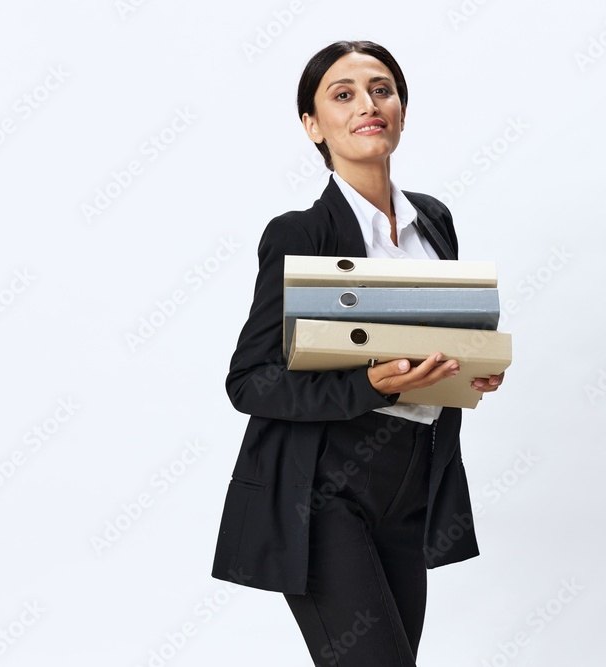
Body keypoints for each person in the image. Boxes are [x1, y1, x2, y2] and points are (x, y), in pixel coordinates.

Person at [211, 40, 505, 666]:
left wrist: (462, 373)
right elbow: (250, 382)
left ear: (401, 109)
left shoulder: (435, 221)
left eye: (382, 89)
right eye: (342, 94)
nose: (368, 103)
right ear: (313, 125)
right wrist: (372, 385)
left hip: (414, 479)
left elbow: (432, 344)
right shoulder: (300, 234)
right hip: (323, 484)